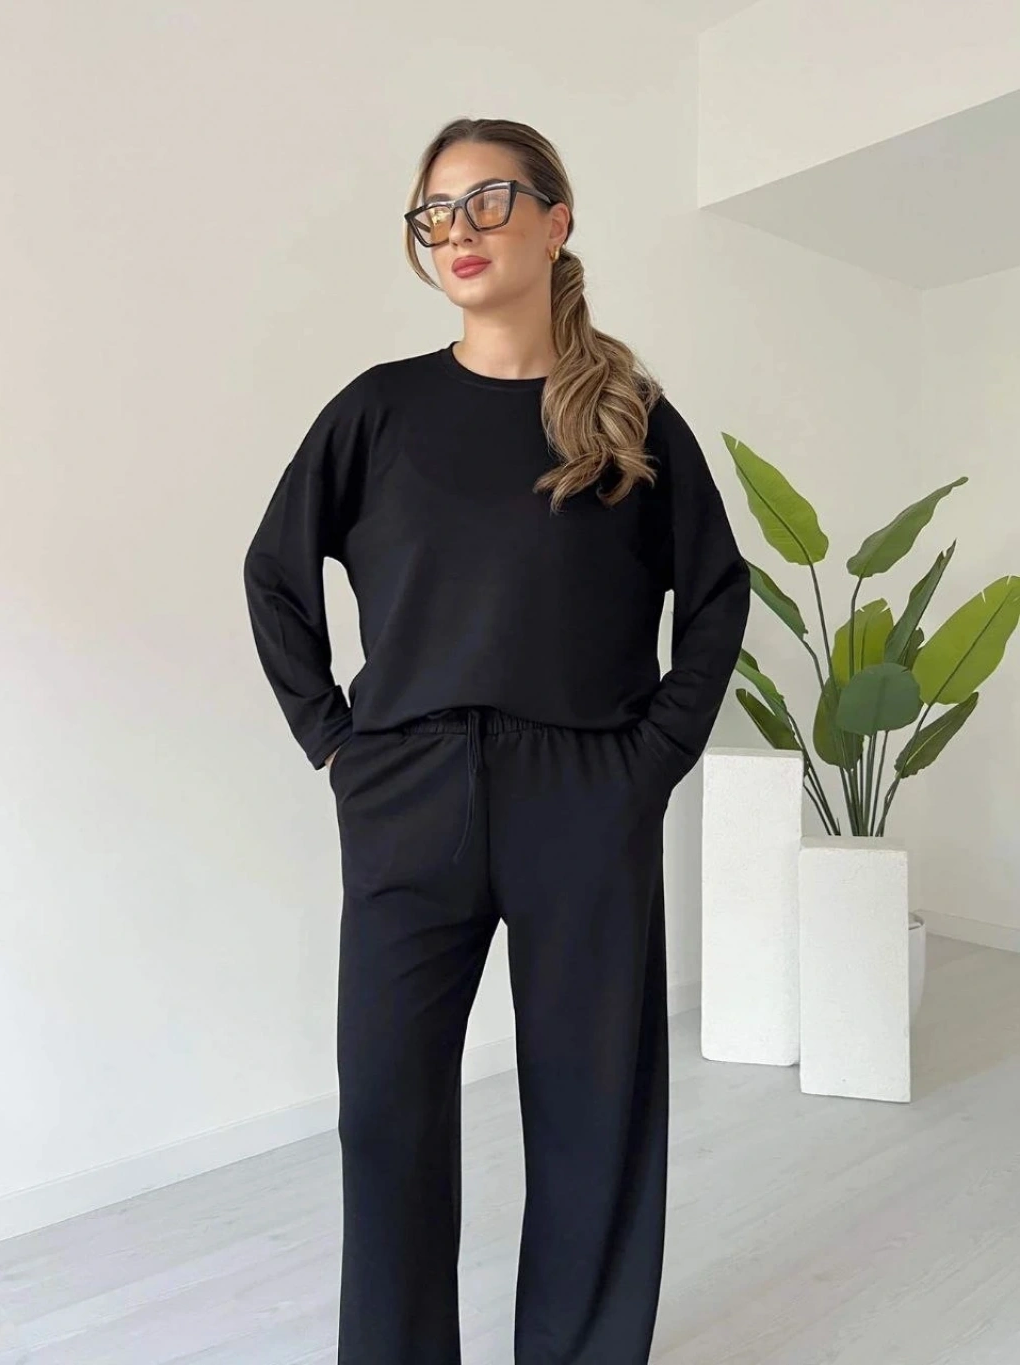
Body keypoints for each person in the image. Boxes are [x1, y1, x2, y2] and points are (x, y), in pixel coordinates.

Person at [242, 116, 751, 1365]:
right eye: (435, 211)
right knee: (388, 1117)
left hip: (584, 792)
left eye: (488, 200)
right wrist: (335, 743)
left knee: (591, 1111)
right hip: (407, 789)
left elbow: (717, 593)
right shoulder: (380, 410)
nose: (457, 231)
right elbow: (274, 575)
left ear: (555, 220)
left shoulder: (628, 417)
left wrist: (650, 762)